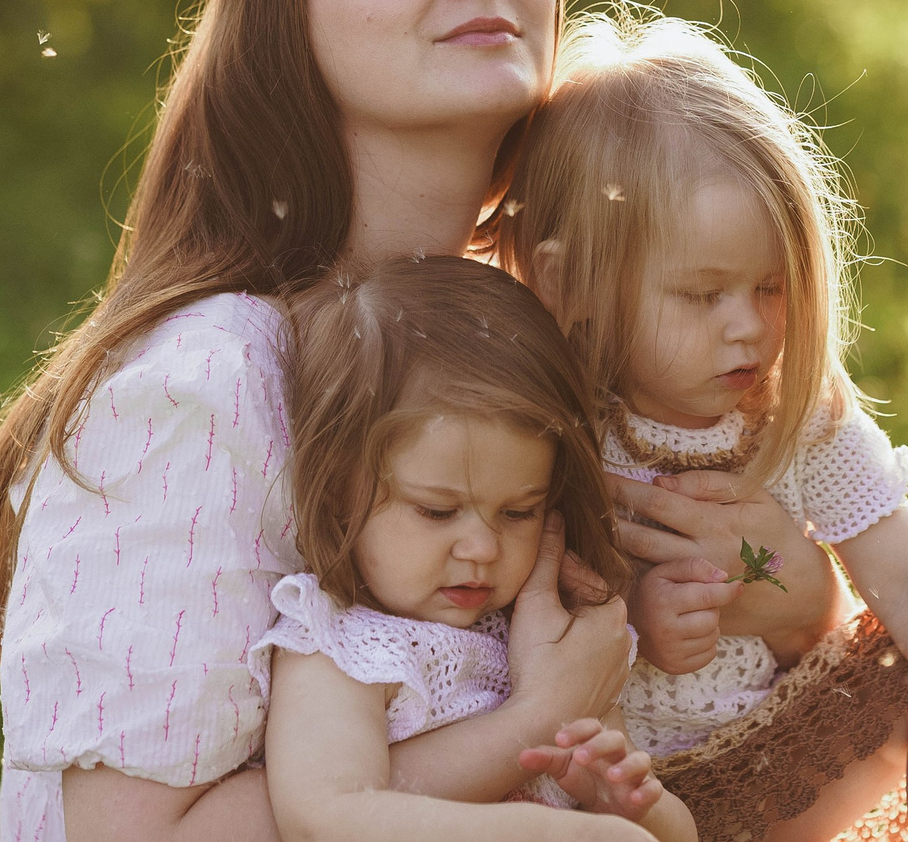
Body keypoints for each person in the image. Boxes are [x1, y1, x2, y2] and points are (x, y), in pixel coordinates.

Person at [0, 0, 844, 842]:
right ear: (284, 15)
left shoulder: (542, 327)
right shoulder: (204, 382)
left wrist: (799, 607)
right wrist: (535, 722)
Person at [498, 7, 908, 842]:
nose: (748, 325)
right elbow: (509, 611)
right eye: (702, 294)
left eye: (772, 287)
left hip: (786, 763)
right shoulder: (554, 434)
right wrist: (631, 618)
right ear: (570, 284)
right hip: (630, 793)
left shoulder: (797, 417)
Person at [256, 256, 692, 841]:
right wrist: (540, 829)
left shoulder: (547, 643)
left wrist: (633, 809)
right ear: (338, 489)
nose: (484, 548)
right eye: (437, 511)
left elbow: (677, 833)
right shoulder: (341, 646)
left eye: (519, 512)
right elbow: (324, 817)